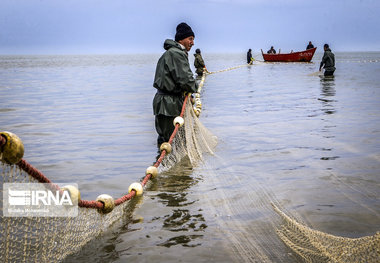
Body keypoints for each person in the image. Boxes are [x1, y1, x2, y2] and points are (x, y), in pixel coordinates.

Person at [152, 22, 198, 145]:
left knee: (165, 139)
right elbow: (186, 81)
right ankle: (169, 163)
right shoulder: (177, 54)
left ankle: (163, 162)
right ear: (181, 39)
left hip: (163, 102)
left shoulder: (171, 52)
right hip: (169, 104)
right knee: (174, 141)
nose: (193, 42)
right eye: (190, 39)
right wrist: (195, 87)